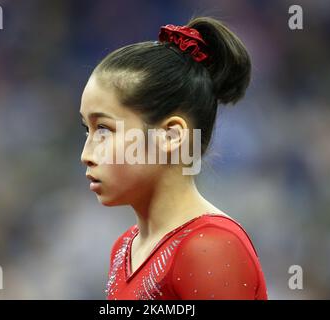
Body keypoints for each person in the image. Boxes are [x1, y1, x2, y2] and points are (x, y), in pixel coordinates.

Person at [80, 16, 268, 300]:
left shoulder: (210, 247)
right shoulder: (124, 248)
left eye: (104, 129)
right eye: (87, 130)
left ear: (171, 135)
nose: (86, 155)